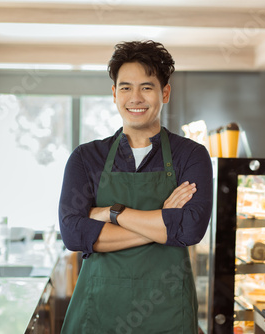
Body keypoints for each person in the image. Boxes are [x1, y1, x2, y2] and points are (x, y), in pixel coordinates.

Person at [58, 40, 213, 333]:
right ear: (114, 93)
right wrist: (162, 221)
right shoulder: (85, 158)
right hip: (98, 312)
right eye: (126, 87)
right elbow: (74, 234)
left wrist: (112, 213)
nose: (136, 98)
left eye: (147, 87)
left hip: (167, 313)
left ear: (164, 93)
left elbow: (189, 230)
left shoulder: (190, 156)